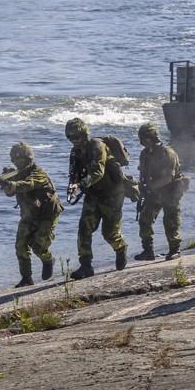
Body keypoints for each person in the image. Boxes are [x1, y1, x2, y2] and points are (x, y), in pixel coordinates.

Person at [65, 117, 130, 278]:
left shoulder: (97, 146)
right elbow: (74, 173)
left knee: (109, 233)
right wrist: (73, 185)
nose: (74, 141)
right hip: (93, 194)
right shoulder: (75, 152)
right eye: (70, 138)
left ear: (84, 134)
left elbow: (97, 172)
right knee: (84, 229)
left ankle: (121, 248)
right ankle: (86, 266)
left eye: (77, 137)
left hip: (112, 194)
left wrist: (80, 185)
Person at [0, 142, 63, 288]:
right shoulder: (17, 174)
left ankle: (48, 260)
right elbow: (10, 194)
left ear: (29, 159)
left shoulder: (39, 173)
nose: (18, 163)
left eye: (20, 160)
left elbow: (27, 184)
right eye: (15, 160)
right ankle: (26, 278)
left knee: (38, 246)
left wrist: (11, 183)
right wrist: (5, 183)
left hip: (46, 214)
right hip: (29, 213)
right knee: (21, 246)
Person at [135, 123, 186, 261]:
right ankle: (148, 250)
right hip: (154, 192)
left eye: (144, 138)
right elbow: (143, 174)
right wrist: (142, 189)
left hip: (170, 191)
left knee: (170, 221)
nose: (142, 142)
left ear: (150, 138)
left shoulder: (167, 153)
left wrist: (150, 187)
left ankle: (175, 249)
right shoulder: (144, 154)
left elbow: (168, 177)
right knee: (144, 219)